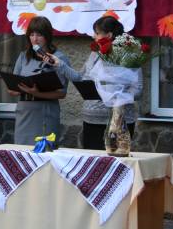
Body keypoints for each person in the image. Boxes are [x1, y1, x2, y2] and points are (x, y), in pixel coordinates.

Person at [46, 16, 141, 149]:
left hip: (119, 120)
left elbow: (138, 89)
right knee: (93, 159)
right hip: (91, 119)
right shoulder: (95, 54)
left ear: (109, 35)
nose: (93, 36)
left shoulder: (129, 56)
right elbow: (80, 77)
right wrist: (59, 64)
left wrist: (116, 97)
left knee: (115, 158)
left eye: (97, 33)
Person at [7, 16, 70, 146]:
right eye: (32, 34)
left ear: (47, 36)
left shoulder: (58, 58)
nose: (35, 39)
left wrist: (37, 93)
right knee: (22, 151)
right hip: (24, 111)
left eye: (39, 35)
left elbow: (61, 93)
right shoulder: (23, 56)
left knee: (43, 151)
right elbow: (12, 88)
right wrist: (18, 88)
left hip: (45, 111)